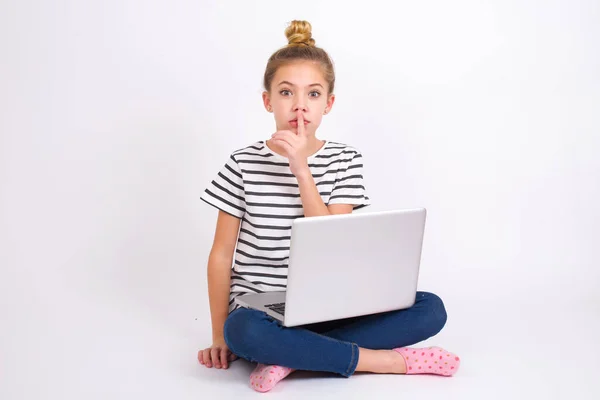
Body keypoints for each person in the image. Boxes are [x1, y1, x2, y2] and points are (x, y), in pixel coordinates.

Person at [197, 20, 460, 393]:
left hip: (330, 309)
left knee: (430, 308)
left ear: (329, 103)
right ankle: (383, 362)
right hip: (261, 313)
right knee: (241, 331)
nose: (300, 106)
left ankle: (289, 358)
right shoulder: (242, 163)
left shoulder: (345, 160)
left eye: (314, 94)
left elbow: (332, 247)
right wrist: (218, 334)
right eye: (287, 92)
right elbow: (222, 255)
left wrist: (302, 170)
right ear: (268, 100)